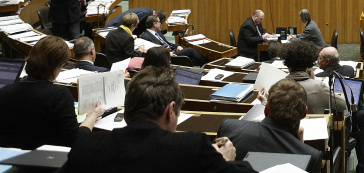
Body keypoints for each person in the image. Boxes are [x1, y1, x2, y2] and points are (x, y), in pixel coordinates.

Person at [65, 66, 250, 173]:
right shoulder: (192, 148)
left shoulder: (86, 148)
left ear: (128, 108)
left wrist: (91, 116)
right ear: (170, 111)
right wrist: (225, 162)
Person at [282, 41, 364, 173]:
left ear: (287, 65)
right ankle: (357, 156)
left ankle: (360, 158)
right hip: (316, 140)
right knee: (357, 117)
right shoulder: (318, 86)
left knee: (359, 117)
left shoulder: (277, 85)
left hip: (282, 138)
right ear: (309, 64)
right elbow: (345, 104)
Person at [0, 36, 104, 149]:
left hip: (6, 161)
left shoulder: (4, 92)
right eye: (62, 65)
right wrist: (93, 115)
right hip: (46, 163)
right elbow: (75, 141)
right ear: (55, 66)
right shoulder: (59, 95)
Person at [217, 80, 321, 172]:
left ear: (266, 109)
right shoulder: (311, 156)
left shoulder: (228, 127)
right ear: (304, 113)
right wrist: (300, 145)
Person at [140, 15, 207, 65]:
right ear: (154, 24)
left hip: (172, 51)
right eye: (159, 22)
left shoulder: (158, 32)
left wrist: (177, 46)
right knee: (190, 50)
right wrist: (168, 53)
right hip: (167, 55)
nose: (160, 23)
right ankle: (207, 64)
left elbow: (167, 43)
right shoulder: (146, 37)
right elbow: (154, 52)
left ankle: (206, 64)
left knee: (193, 60)